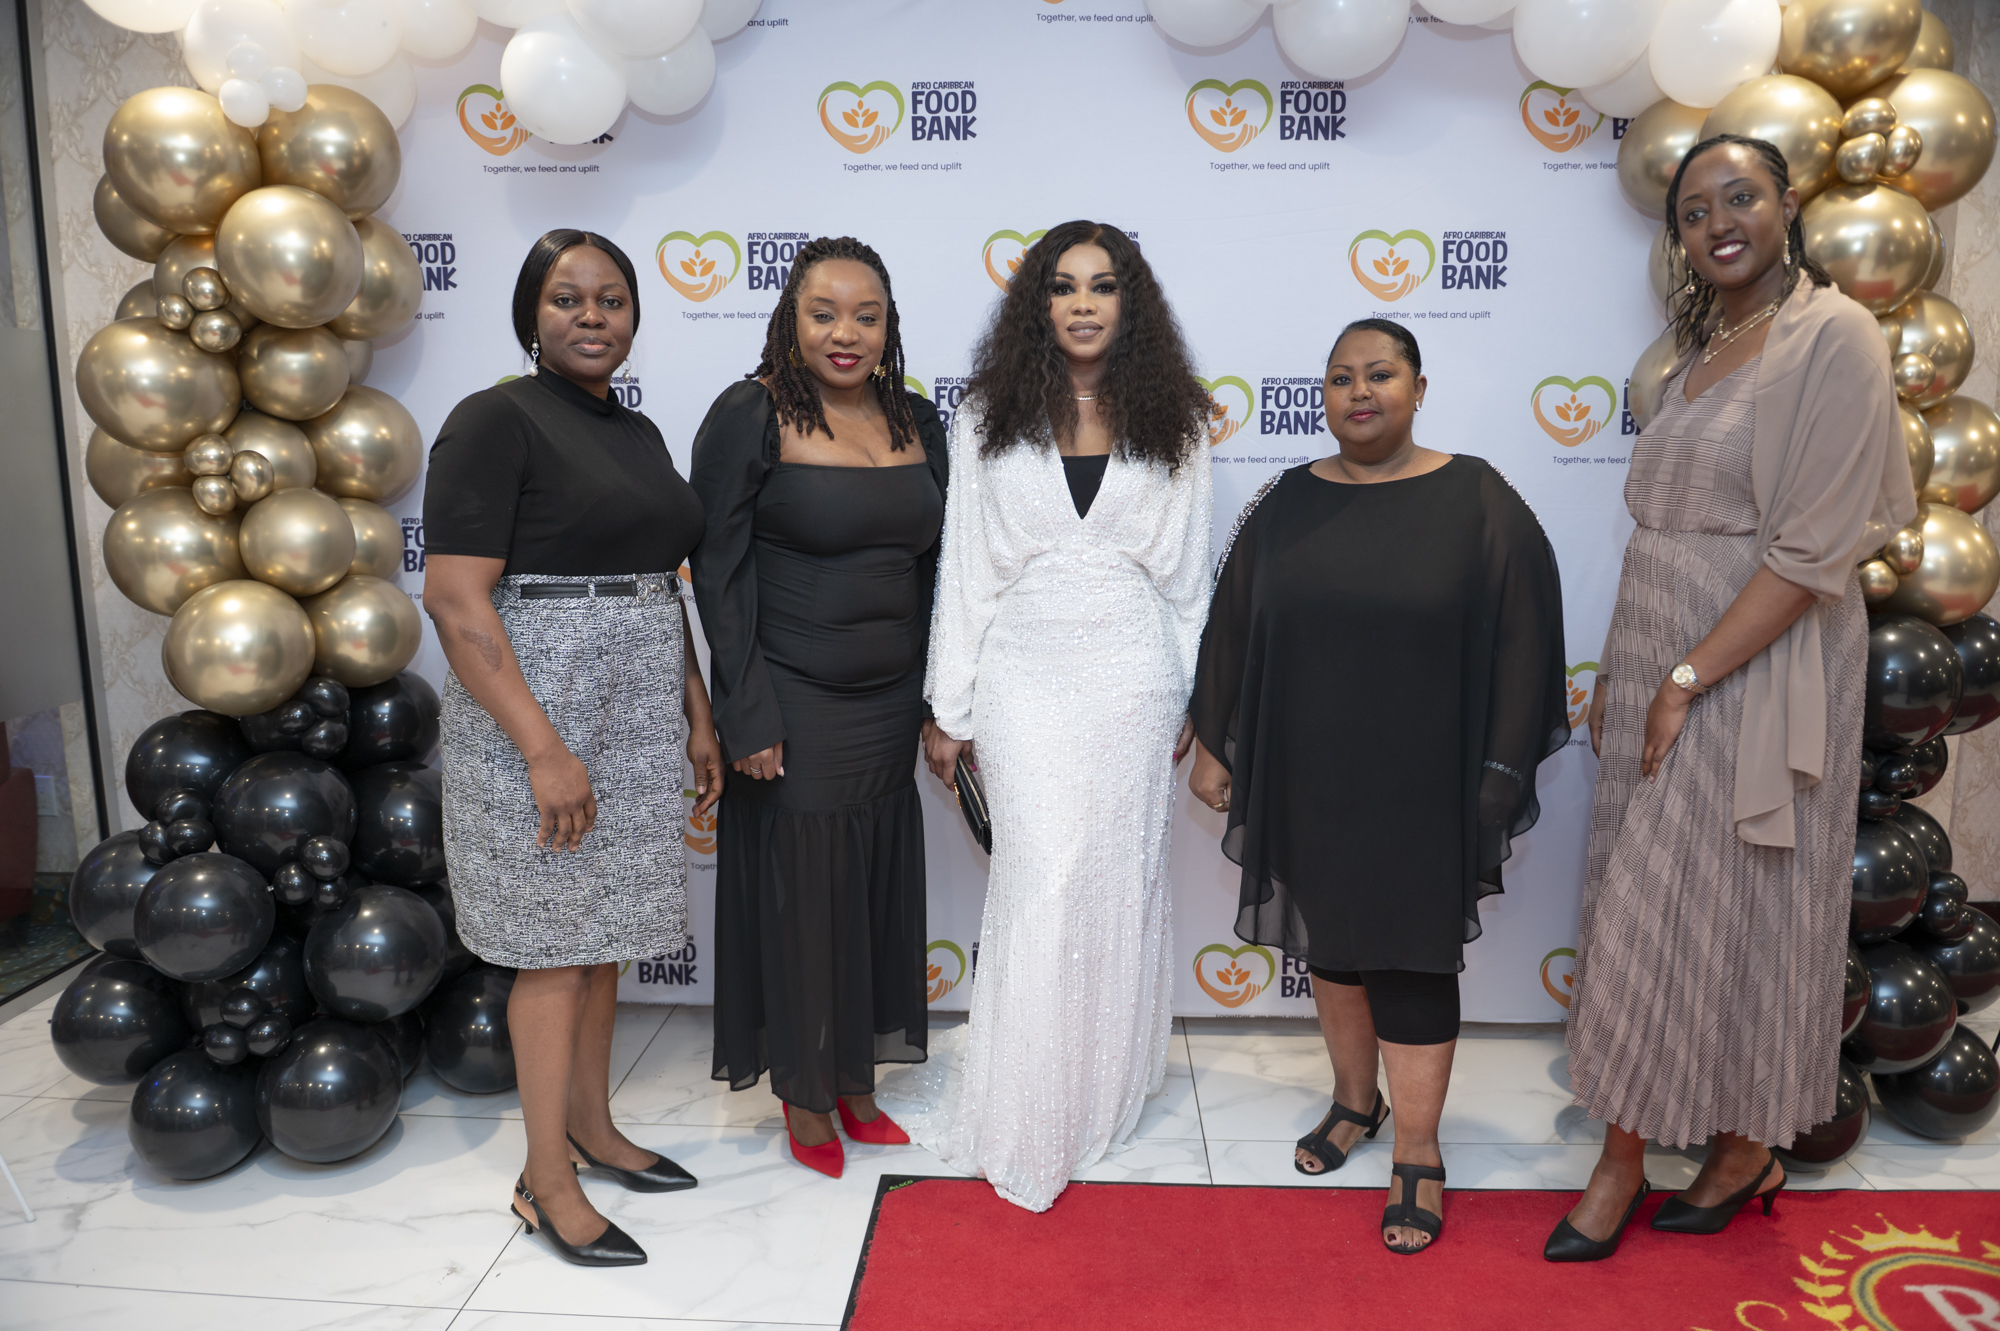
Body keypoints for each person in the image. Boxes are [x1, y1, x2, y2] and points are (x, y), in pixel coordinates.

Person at [1548, 135, 1916, 1262]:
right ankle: (1735, 1144)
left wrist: (1684, 677)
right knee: (1676, 902)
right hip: (1663, 647)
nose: (1719, 222)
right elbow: (1663, 529)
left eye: (1741, 196)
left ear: (1787, 204)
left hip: (1755, 662)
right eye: (1695, 209)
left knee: (1702, 903)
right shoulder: (1698, 348)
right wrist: (1629, 671)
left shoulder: (1834, 335)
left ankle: (1626, 1159)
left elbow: (1811, 553)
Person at [1188, 318, 1569, 1254]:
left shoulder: (1478, 497)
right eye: (1341, 377)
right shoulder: (1286, 499)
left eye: (1380, 374)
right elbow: (1231, 622)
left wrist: (1501, 769)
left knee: (1411, 960)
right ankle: (1355, 1102)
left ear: (1418, 388)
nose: (1360, 392)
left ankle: (1418, 1150)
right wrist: (1215, 743)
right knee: (1333, 947)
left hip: (1425, 780)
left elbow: (1531, 634)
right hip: (1309, 770)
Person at [880, 220, 1214, 1213]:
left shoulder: (1177, 419)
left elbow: (1188, 579)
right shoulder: (988, 416)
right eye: (1063, 286)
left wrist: (1190, 691)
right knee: (1040, 879)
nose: (1081, 303)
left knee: (1115, 878)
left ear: (1129, 303)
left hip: (1132, 677)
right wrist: (949, 705)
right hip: (1023, 674)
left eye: (1101, 286)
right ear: (1039, 304)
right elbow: (965, 572)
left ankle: (1100, 1085)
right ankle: (1026, 1107)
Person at [424, 229, 725, 1266]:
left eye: (611, 299)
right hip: (536, 708)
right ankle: (543, 1180)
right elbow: (456, 600)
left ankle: (593, 1129)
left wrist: (694, 710)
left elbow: (658, 582)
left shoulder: (636, 432)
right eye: (566, 299)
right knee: (554, 948)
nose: (592, 316)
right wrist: (543, 749)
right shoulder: (492, 420)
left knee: (605, 938)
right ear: (531, 315)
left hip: (634, 706)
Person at [689, 236, 948, 1179]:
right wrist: (745, 711)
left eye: (867, 316)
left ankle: (856, 1082)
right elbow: (717, 572)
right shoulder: (751, 413)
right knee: (804, 895)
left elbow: (938, 569)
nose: (847, 333)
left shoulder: (918, 418)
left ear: (889, 325)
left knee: (870, 886)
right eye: (824, 312)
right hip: (792, 698)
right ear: (789, 319)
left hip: (890, 699)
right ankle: (805, 1093)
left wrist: (939, 697)